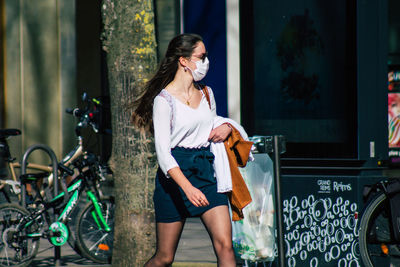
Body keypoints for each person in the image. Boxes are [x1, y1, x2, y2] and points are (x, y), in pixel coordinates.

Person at [131, 33, 236, 266]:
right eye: (202, 56)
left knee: (225, 246)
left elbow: (213, 123)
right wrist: (187, 188)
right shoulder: (163, 101)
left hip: (205, 173)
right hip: (174, 178)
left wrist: (227, 127)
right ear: (184, 60)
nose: (206, 61)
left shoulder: (207, 93)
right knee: (165, 257)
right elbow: (163, 155)